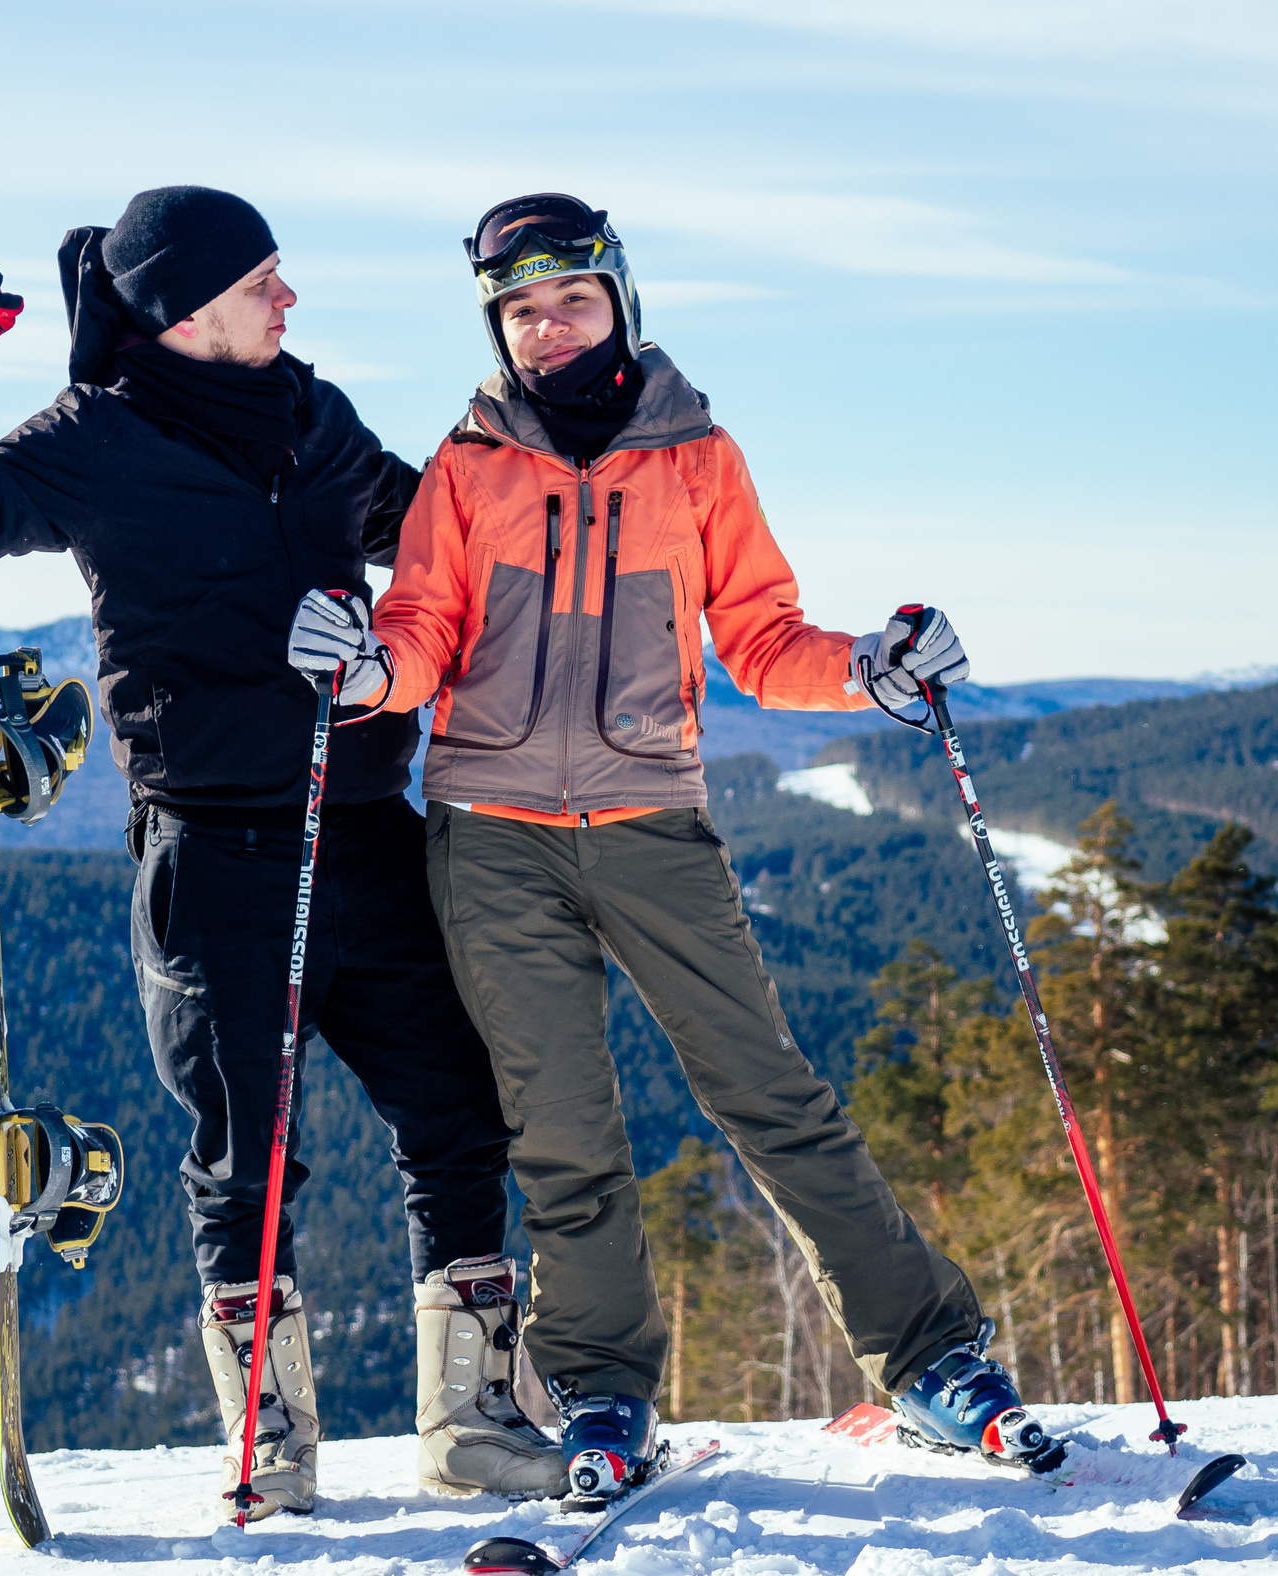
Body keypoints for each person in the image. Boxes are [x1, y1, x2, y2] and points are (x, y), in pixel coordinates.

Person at [288, 193, 1066, 1498]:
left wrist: (869, 667)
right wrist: (367, 672)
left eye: (571, 300)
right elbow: (421, 631)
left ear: (619, 301)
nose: (547, 327)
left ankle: (933, 1359)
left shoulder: (698, 458)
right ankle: (601, 1387)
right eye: (520, 310)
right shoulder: (468, 466)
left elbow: (761, 636)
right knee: (561, 1127)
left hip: (653, 820)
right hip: (492, 837)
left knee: (771, 1093)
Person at [0, 186, 564, 1519]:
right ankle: (269, 1442)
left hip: (365, 828)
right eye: (262, 283)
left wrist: (541, 470)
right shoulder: (99, 437)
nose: (289, 299)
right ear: (187, 312)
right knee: (248, 1154)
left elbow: (437, 532)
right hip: (215, 852)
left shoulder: (315, 417)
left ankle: (474, 1425)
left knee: (460, 1110)